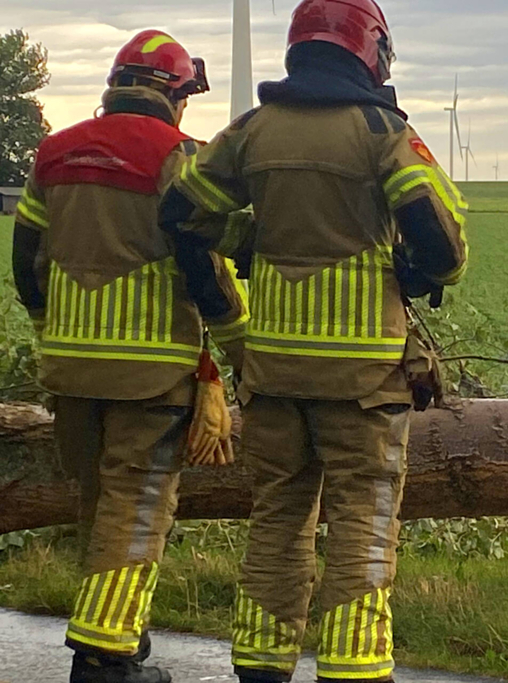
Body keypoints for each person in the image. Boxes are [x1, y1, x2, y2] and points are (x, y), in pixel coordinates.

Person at [157, 1, 469, 681]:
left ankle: (260, 665)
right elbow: (443, 246)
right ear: (371, 51)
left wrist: (250, 240)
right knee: (363, 523)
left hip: (272, 376)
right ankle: (353, 667)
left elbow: (180, 210)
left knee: (277, 521)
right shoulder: (382, 131)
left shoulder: (252, 130)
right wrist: (415, 270)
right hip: (363, 384)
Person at [11, 31, 248, 683]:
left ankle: (121, 632)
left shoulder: (53, 152)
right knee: (137, 506)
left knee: (98, 502)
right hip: (150, 370)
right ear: (173, 95)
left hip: (69, 367)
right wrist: (238, 352)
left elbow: (26, 260)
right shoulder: (179, 156)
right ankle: (104, 660)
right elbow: (204, 268)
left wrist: (50, 330)